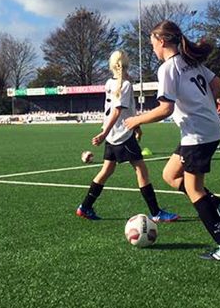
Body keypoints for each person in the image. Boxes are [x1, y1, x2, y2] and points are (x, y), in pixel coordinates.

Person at [122, 20, 220, 261]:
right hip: (205, 129)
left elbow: (165, 109)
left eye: (152, 43)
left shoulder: (168, 68)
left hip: (197, 134)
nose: (153, 48)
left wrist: (136, 120)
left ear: (162, 41)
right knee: (170, 175)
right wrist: (200, 105)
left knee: (194, 189)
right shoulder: (191, 61)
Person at [77, 50, 179, 224]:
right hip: (122, 135)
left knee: (106, 171)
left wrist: (130, 127)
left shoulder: (110, 83)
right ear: (127, 64)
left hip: (113, 135)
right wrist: (104, 133)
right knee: (142, 171)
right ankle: (156, 212)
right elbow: (118, 111)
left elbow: (123, 110)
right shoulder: (125, 85)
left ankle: (85, 207)